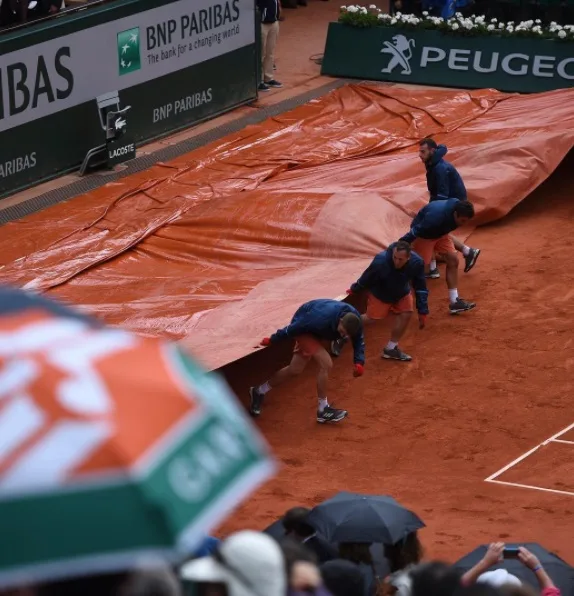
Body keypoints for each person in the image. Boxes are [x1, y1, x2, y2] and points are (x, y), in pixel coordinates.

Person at [249, 299, 365, 423]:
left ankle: (258, 390)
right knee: (326, 364)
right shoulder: (319, 318)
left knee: (295, 370)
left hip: (318, 330)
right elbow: (294, 327)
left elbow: (359, 341)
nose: (343, 336)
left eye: (346, 335)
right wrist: (273, 339)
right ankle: (323, 409)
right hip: (304, 325)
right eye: (342, 332)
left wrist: (359, 362)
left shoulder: (355, 322)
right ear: (341, 320)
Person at [331, 241, 428, 362]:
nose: (396, 262)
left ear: (409, 257)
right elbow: (366, 277)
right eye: (395, 258)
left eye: (401, 259)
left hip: (402, 292)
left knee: (407, 313)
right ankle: (341, 331)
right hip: (381, 294)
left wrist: (423, 310)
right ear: (392, 253)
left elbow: (421, 286)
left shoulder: (417, 263)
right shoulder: (380, 261)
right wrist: (355, 289)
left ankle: (391, 349)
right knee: (371, 318)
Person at [400, 199, 477, 315]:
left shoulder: (458, 210)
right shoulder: (434, 219)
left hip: (441, 234)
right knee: (418, 271)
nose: (463, 224)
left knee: (453, 260)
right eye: (462, 221)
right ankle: (398, 296)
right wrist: (402, 243)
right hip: (424, 237)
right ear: (455, 214)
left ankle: (454, 301)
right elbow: (415, 231)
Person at [418, 139, 481, 279]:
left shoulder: (439, 168)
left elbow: (442, 195)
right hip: (447, 201)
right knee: (433, 228)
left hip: (454, 204)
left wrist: (432, 213)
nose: (419, 155)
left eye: (423, 151)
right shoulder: (433, 163)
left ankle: (466, 252)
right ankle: (465, 252)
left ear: (432, 151)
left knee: (434, 228)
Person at [256, 0, 283, 92]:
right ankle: (259, 81)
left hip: (274, 23)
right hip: (262, 24)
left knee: (270, 52)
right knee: (261, 53)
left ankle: (268, 78)